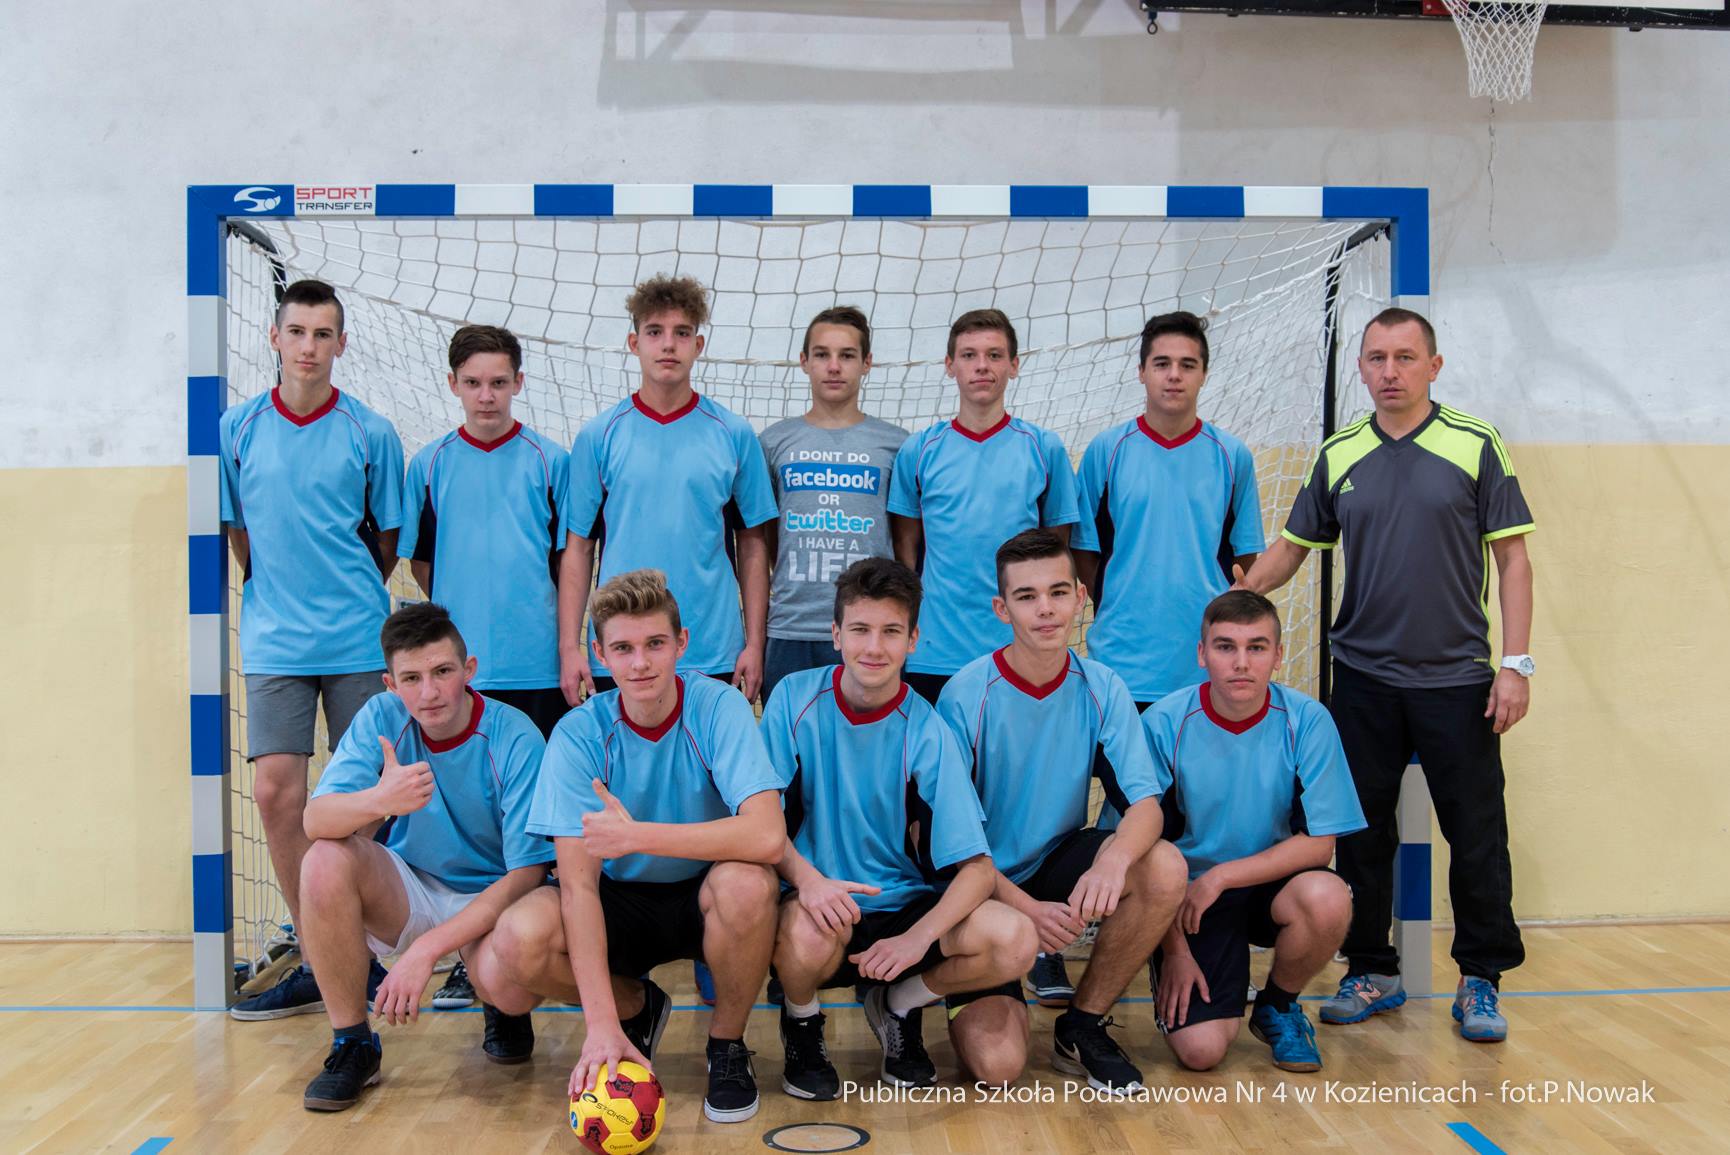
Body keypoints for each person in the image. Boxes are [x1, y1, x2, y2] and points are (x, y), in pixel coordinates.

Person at [1236, 307, 1536, 1043]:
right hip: (1363, 680)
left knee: (1476, 833)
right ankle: (1372, 968)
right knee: (1360, 833)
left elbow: (1513, 560)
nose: (1390, 371)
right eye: (1377, 358)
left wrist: (1516, 665)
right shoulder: (1339, 453)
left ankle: (1480, 978)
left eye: (1405, 357)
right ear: (1362, 368)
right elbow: (1291, 550)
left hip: (1458, 680)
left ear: (1434, 366)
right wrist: (1230, 601)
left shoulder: (1476, 444)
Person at [491, 570, 785, 1124]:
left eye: (655, 644)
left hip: (703, 891)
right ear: (600, 654)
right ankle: (634, 1009)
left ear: (681, 643)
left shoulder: (718, 706)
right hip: (617, 900)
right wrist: (599, 1023)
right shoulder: (578, 733)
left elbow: (768, 835)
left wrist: (638, 835)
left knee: (749, 883)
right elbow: (578, 888)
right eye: (623, 648)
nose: (641, 663)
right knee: (516, 939)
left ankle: (726, 1045)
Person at [764, 558, 1036, 1097]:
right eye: (860, 629)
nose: (874, 647)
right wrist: (809, 882)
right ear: (836, 634)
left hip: (904, 907)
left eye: (891, 631)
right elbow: (760, 825)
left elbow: (977, 869)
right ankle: (802, 1022)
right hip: (820, 898)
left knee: (1015, 938)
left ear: (912, 640)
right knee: (802, 932)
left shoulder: (928, 729)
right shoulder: (793, 700)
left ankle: (899, 1004)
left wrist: (918, 939)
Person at [1058, 310, 1263, 1004]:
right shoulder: (1107, 451)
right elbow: (1086, 554)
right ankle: (1071, 936)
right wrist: (1109, 609)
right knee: (1113, 813)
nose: (1174, 376)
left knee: (1185, 816)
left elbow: (1244, 564)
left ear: (1203, 374)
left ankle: (1178, 940)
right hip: (1122, 666)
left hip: (1198, 673)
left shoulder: (1232, 456)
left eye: (1187, 364)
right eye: (1162, 363)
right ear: (1142, 371)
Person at [935, 530, 1187, 1093]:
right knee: (998, 1067)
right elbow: (946, 841)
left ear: (1080, 598)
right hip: (979, 879)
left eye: (1057, 592)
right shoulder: (965, 694)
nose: (1045, 609)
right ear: (1002, 609)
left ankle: (1083, 1024)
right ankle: (936, 986)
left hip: (1055, 859)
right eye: (1026, 596)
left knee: (1162, 865)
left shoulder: (1103, 687)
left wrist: (1112, 862)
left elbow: (1146, 807)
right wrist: (1028, 910)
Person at [221, 278, 405, 1020]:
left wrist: (343, 594)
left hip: (357, 637)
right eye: (296, 331)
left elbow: (388, 539)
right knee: (277, 794)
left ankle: (364, 950)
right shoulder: (237, 428)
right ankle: (319, 955)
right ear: (275, 337)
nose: (308, 346)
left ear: (341, 344)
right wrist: (281, 594)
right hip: (275, 639)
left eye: (322, 334)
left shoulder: (370, 431)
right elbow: (241, 534)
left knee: (362, 797)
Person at [294, 603, 553, 1109]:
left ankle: (501, 1008)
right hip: (412, 884)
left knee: (509, 988)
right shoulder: (382, 717)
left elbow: (528, 873)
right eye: (411, 678)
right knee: (323, 860)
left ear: (469, 670)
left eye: (442, 672)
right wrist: (379, 800)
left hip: (494, 893)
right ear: (391, 684)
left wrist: (426, 950)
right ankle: (352, 1044)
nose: (429, 692)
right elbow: (314, 821)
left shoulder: (515, 734)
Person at [1150, 591, 1365, 1074]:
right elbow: (1142, 855)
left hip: (1270, 885)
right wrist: (1174, 950)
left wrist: (1222, 876)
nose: (1241, 663)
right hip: (1188, 898)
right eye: (1225, 646)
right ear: (1202, 653)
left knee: (1328, 897)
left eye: (1257, 647)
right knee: (1201, 1052)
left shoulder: (1307, 721)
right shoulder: (1163, 724)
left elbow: (1320, 843)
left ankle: (1278, 1005)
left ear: (1278, 655)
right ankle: (1181, 971)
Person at [558, 275, 778, 706]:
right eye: (655, 332)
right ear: (634, 342)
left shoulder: (733, 433)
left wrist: (754, 644)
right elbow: (578, 548)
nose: (668, 345)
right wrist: (570, 647)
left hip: (713, 648)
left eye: (681, 333)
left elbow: (753, 545)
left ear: (698, 345)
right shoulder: (598, 436)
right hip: (624, 650)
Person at [888, 309, 1079, 704]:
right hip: (936, 652)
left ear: (1013, 365)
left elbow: (1056, 549)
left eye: (994, 355)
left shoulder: (1044, 448)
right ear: (950, 366)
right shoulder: (918, 450)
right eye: (969, 355)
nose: (982, 366)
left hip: (1020, 648)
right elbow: (906, 548)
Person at [400, 325, 571, 739]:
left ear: (518, 382)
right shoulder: (428, 465)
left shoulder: (551, 462)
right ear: (453, 384)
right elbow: (422, 562)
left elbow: (567, 561)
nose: (486, 396)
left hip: (536, 666)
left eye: (498, 383)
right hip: (457, 667)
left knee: (536, 774)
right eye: (473, 383)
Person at [758, 306, 909, 702]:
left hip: (870, 629)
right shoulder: (774, 442)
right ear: (804, 361)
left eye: (847, 355)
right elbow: (768, 538)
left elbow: (905, 540)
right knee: (789, 739)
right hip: (792, 627)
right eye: (822, 354)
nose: (834, 366)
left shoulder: (897, 445)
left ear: (866, 363)